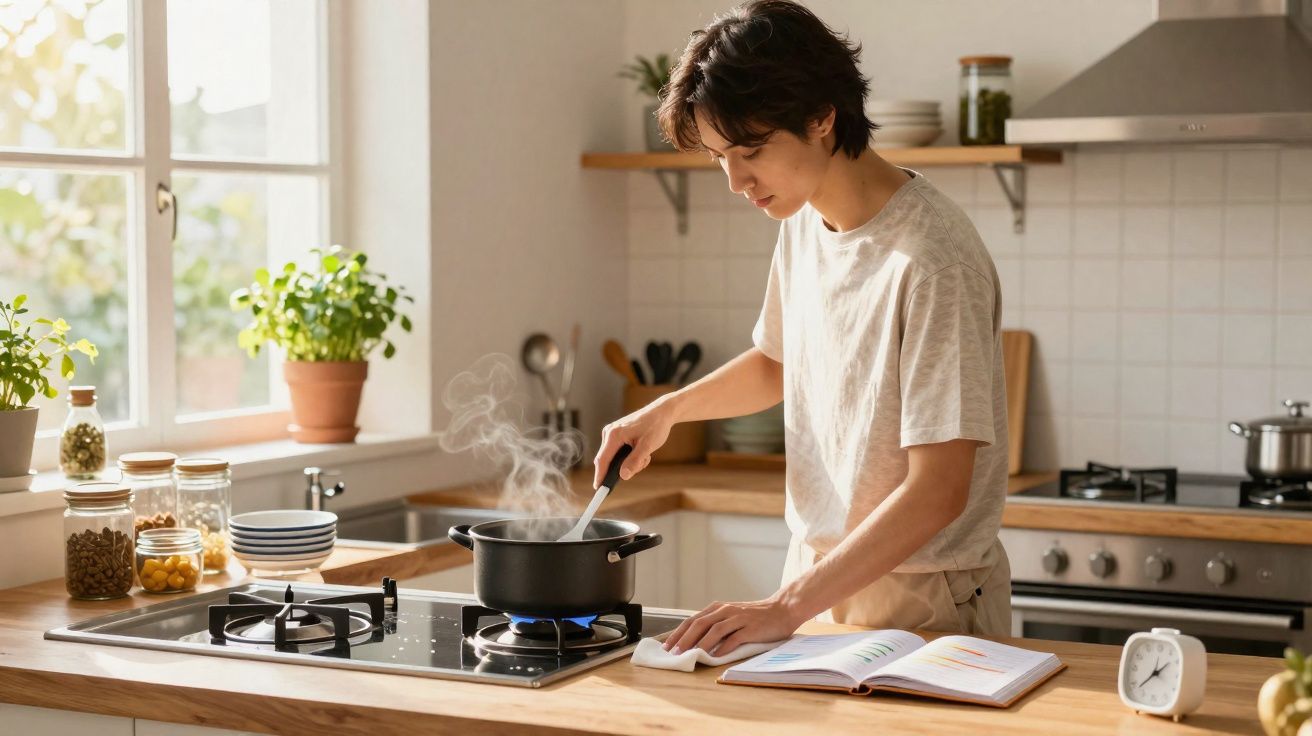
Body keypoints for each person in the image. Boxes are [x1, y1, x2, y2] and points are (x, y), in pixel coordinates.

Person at [592, 0, 1011, 657]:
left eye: (751, 149)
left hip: (920, 593)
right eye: (719, 155)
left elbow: (940, 491)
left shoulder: (934, 260)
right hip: (816, 578)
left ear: (822, 117)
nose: (735, 181)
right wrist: (667, 411)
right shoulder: (802, 219)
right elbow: (777, 362)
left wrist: (788, 606)